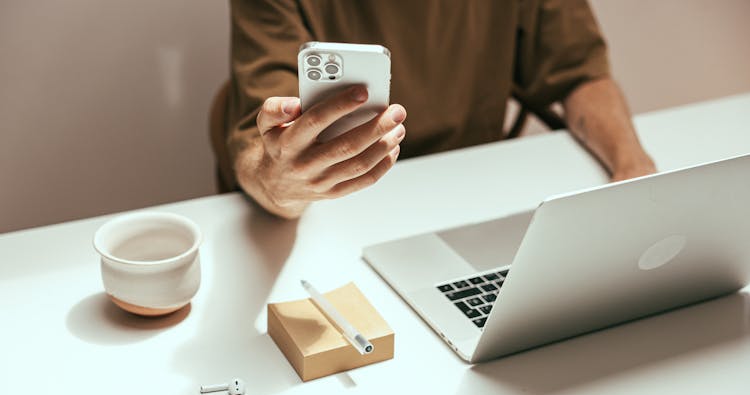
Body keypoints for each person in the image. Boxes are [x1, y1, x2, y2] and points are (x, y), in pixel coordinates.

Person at [221, 0, 656, 219]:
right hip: (337, 208)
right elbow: (261, 147)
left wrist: (632, 167)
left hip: (471, 194)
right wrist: (283, 185)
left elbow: (579, 71)